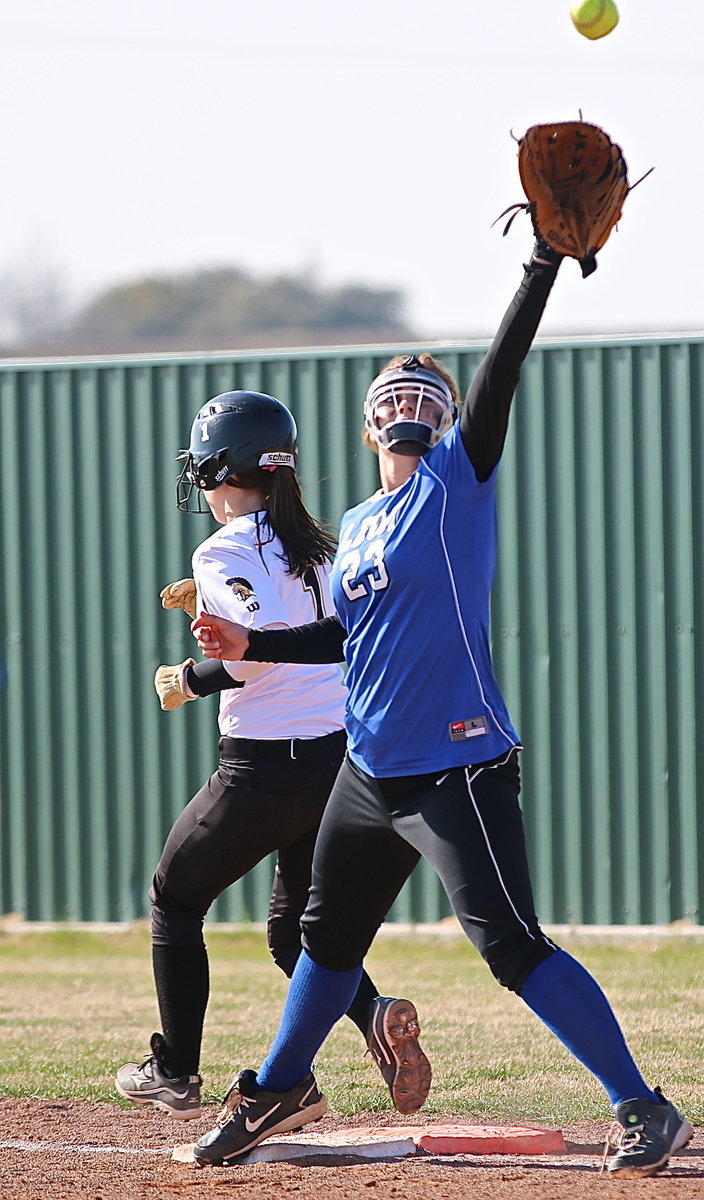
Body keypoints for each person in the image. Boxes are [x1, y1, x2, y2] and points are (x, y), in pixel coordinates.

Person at [189, 245, 693, 1178]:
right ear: (368, 423)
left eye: (428, 392)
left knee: (508, 945)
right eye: (395, 391)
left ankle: (643, 1106)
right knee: (325, 939)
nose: (410, 401)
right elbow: (350, 639)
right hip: (369, 768)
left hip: (455, 764)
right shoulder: (361, 525)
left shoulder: (455, 482)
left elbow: (501, 370)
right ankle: (280, 1088)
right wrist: (247, 647)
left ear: (448, 419)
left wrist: (541, 265)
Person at [114, 391, 431, 1122]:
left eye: (204, 468)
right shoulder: (321, 542)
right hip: (338, 762)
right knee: (297, 937)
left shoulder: (223, 547)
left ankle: (175, 1073)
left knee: (174, 897)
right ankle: (375, 1016)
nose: (200, 481)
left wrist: (192, 677)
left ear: (225, 468)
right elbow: (309, 632)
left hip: (262, 768)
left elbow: (256, 654)